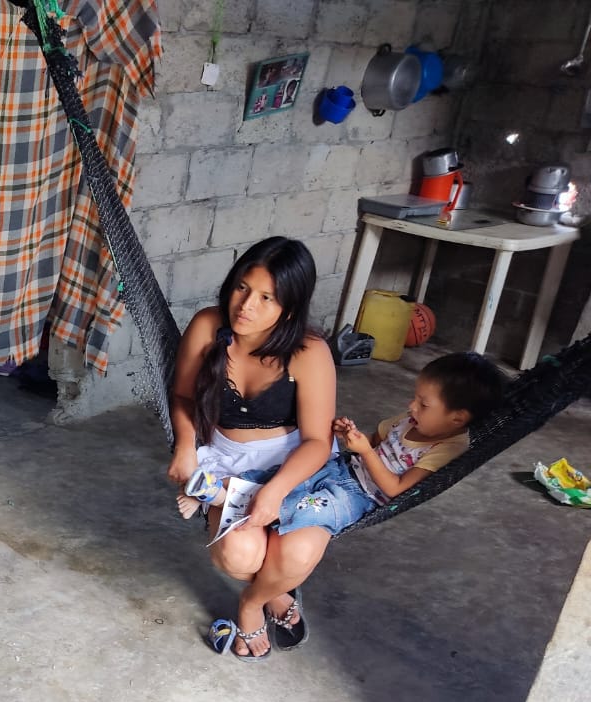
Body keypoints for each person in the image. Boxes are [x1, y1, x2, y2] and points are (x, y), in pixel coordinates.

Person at [167, 237, 336, 661]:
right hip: (228, 464)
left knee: (296, 555)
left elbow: (318, 441)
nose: (246, 306)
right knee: (238, 556)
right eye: (243, 288)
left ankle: (252, 602)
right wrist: (186, 446)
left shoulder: (309, 351)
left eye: (266, 297)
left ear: (289, 308)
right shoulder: (209, 326)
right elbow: (183, 396)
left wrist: (276, 490)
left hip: (294, 468)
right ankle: (276, 592)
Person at [266, 351, 507, 536]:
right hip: (343, 468)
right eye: (415, 398)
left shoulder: (448, 448)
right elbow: (374, 441)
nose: (412, 406)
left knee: (310, 510)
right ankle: (249, 490)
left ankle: (266, 517)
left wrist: (365, 451)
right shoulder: (411, 420)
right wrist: (350, 435)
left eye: (423, 404)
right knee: (288, 475)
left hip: (361, 497)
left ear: (458, 418)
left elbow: (396, 489)